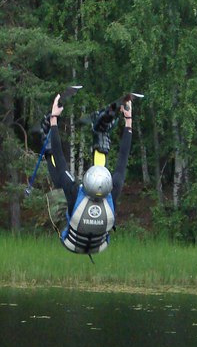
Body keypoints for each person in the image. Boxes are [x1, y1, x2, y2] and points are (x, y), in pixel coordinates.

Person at [44, 92, 133, 256]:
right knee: (69, 183)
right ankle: (101, 133)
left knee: (59, 189)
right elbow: (123, 159)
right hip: (99, 246)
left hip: (70, 243)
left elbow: (60, 159)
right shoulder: (112, 192)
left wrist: (53, 119)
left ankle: (46, 142)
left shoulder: (73, 193)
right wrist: (128, 120)